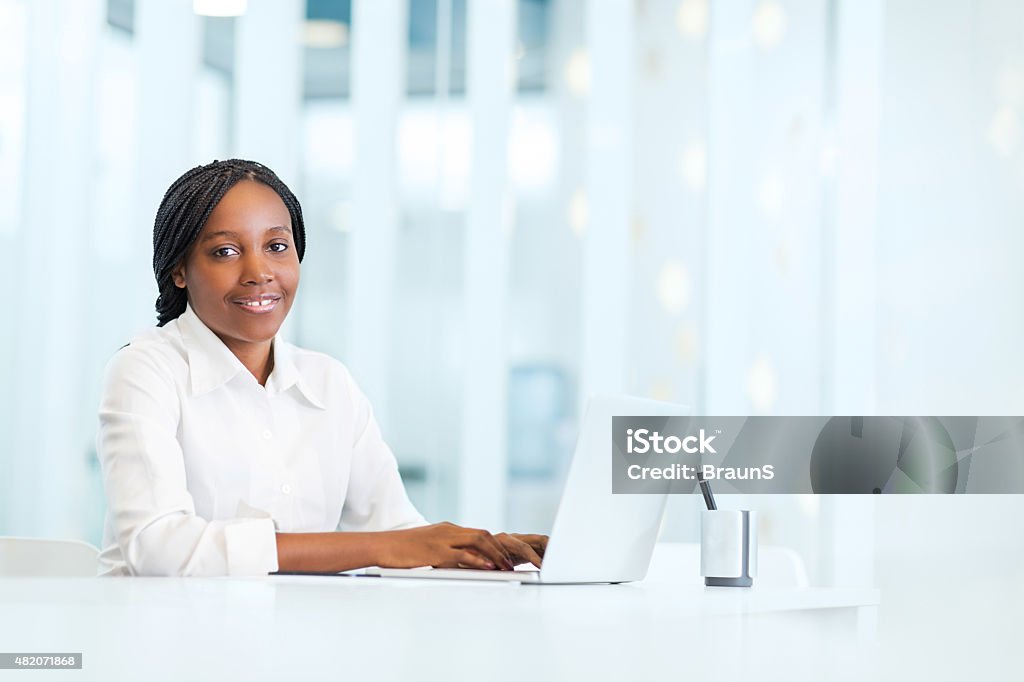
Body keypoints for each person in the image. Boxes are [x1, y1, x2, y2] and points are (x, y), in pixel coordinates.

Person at [96, 159, 546, 576]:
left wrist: (475, 552)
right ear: (179, 270)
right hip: (163, 648)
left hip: (298, 644)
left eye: (276, 246)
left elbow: (397, 531)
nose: (259, 272)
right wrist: (380, 548)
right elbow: (158, 546)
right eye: (225, 252)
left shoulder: (328, 383)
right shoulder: (145, 370)